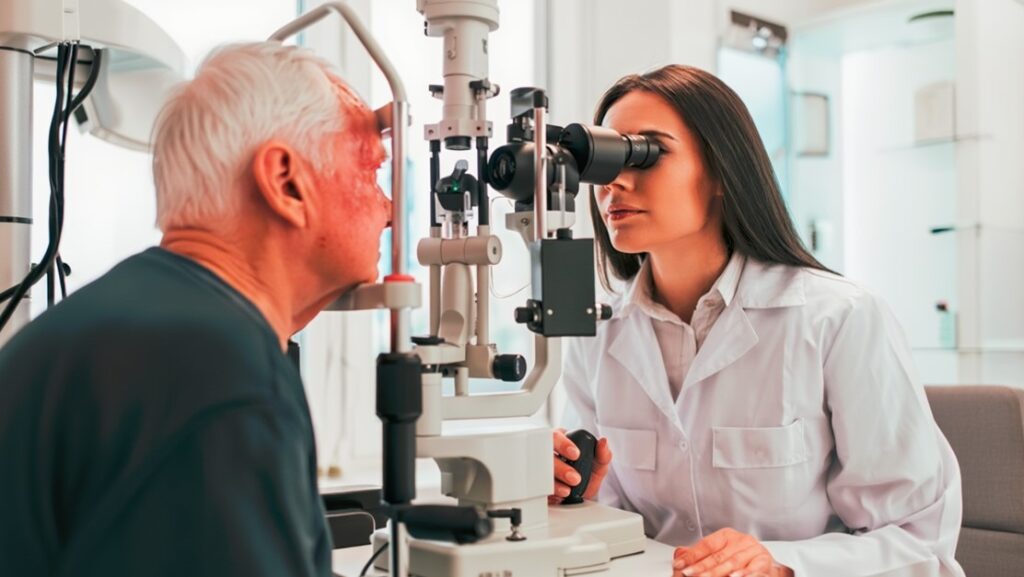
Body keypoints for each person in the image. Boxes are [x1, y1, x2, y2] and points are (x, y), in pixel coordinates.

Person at [550, 65, 964, 577]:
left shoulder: (839, 320)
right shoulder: (598, 330)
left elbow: (917, 541)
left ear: (722, 171)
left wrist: (783, 564)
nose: (615, 180)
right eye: (603, 159)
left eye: (645, 152)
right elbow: (609, 520)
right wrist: (568, 490)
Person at [0, 42, 391, 576]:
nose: (389, 210)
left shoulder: (107, 327)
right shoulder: (221, 376)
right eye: (371, 173)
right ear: (285, 181)